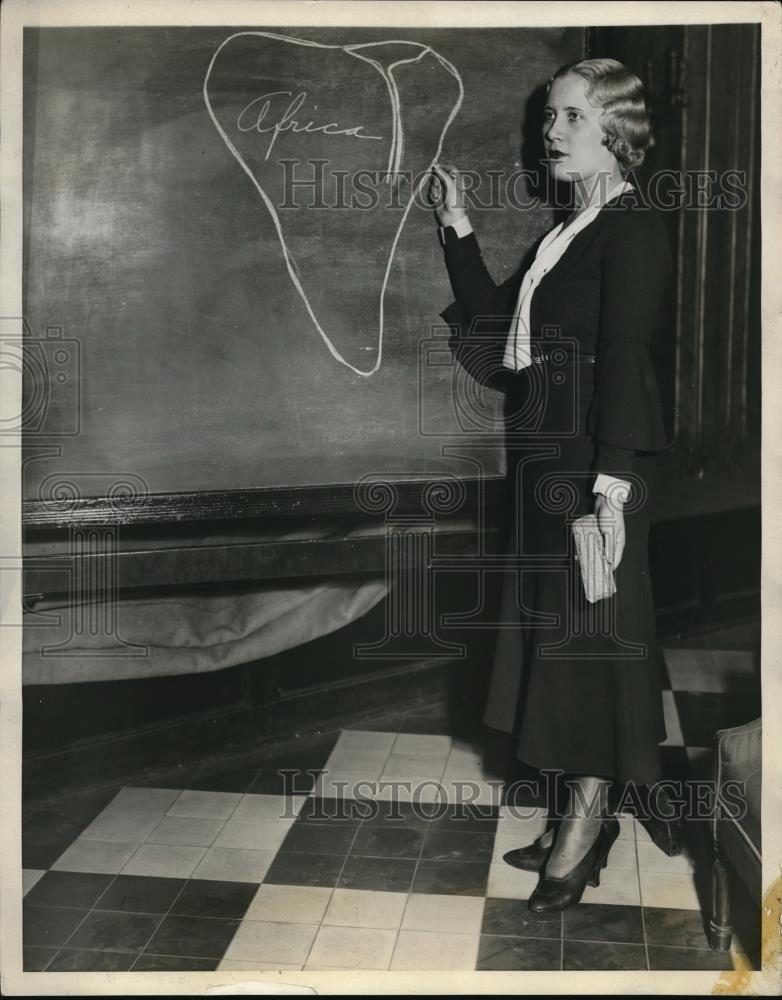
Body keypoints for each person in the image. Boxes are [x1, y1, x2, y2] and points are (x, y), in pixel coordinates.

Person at [430, 58, 672, 912]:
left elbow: (630, 366)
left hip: (593, 467)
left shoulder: (631, 230)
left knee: (594, 642)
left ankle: (585, 828)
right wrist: (458, 231)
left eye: (570, 118)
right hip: (543, 459)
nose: (552, 132)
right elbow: (500, 340)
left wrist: (610, 484)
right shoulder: (563, 233)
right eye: (551, 120)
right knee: (558, 640)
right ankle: (580, 810)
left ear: (616, 131)